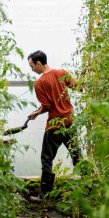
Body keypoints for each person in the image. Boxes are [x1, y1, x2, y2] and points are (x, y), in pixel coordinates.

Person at [27, 50, 81, 200]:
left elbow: (47, 106)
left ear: (39, 63)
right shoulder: (62, 72)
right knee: (77, 155)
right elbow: (79, 87)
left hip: (54, 126)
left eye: (32, 66)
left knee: (46, 159)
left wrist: (36, 113)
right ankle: (88, 187)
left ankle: (44, 194)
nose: (32, 70)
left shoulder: (39, 83)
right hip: (69, 121)